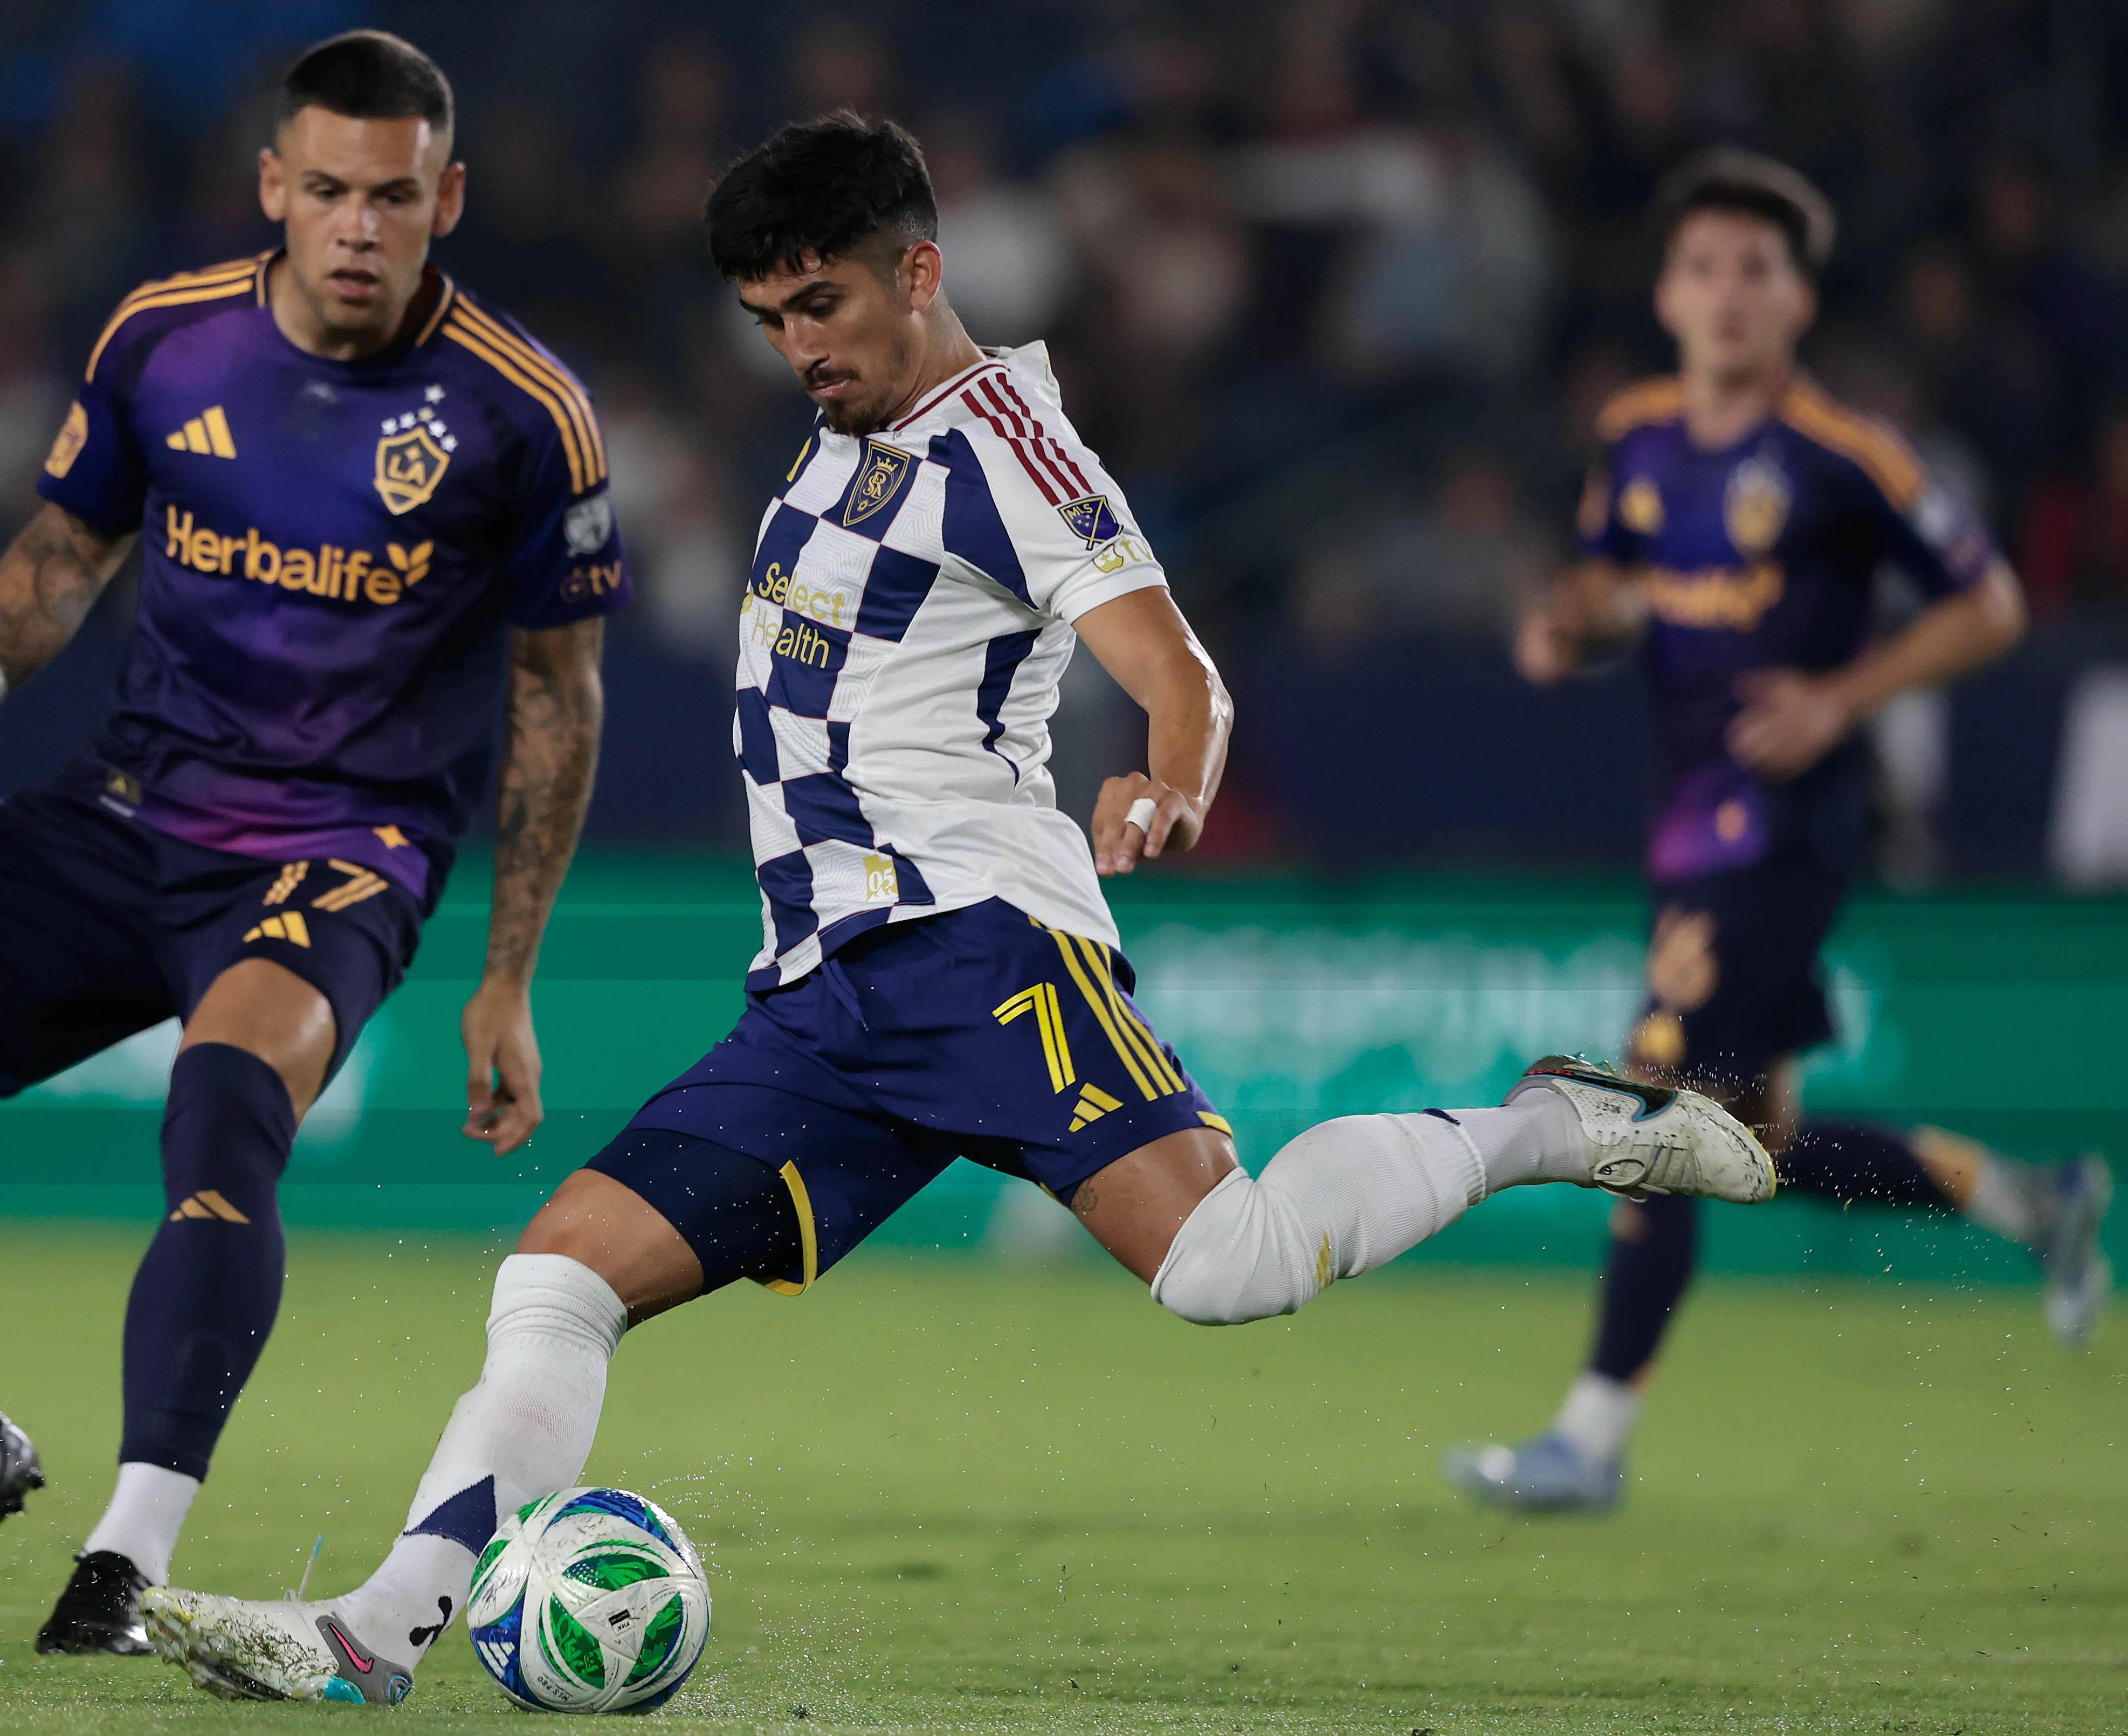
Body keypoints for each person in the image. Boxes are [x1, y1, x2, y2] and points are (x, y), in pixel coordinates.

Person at [136, 113, 1778, 1708]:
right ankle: (370, 1635)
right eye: (770, 317)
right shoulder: (849, 434)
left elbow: (1173, 664)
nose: (798, 345)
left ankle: (1551, 1124)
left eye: (824, 305)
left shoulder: (1009, 445)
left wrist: (1169, 777)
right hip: (825, 998)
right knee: (557, 1277)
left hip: (974, 941)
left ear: (919, 269)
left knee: (1230, 1264)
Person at [0, 32, 627, 1650]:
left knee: (223, 1114)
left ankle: (120, 1565)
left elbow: (560, 695)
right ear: (274, 186)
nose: (360, 226)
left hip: (339, 855)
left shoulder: (524, 414)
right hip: (126, 811)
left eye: (397, 196)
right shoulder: (167, 340)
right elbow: (69, 543)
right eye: (332, 191)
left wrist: (509, 976)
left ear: (451, 200)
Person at [1446, 149, 2110, 1516]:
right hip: (1684, 821)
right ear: (1670, 294)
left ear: (1799, 300)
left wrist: (1842, 695)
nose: (1728, 292)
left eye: (1758, 268)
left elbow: (1987, 605)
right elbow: (1620, 593)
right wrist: (1566, 626)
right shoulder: (1631, 430)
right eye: (1705, 266)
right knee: (1748, 1141)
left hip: (1785, 823)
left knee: (1645, 1101)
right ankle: (2029, 1198)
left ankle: (1587, 1437)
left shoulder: (1841, 452)